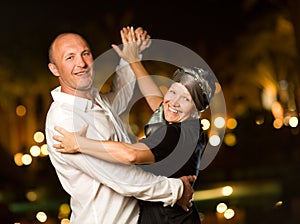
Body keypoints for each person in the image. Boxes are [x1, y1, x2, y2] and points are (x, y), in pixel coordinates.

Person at [53, 27, 216, 223]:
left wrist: (80, 143)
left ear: (196, 109)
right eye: (69, 57)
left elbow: (131, 154)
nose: (173, 102)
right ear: (54, 68)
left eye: (85, 53)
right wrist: (132, 59)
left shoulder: (175, 133)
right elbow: (154, 98)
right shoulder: (65, 120)